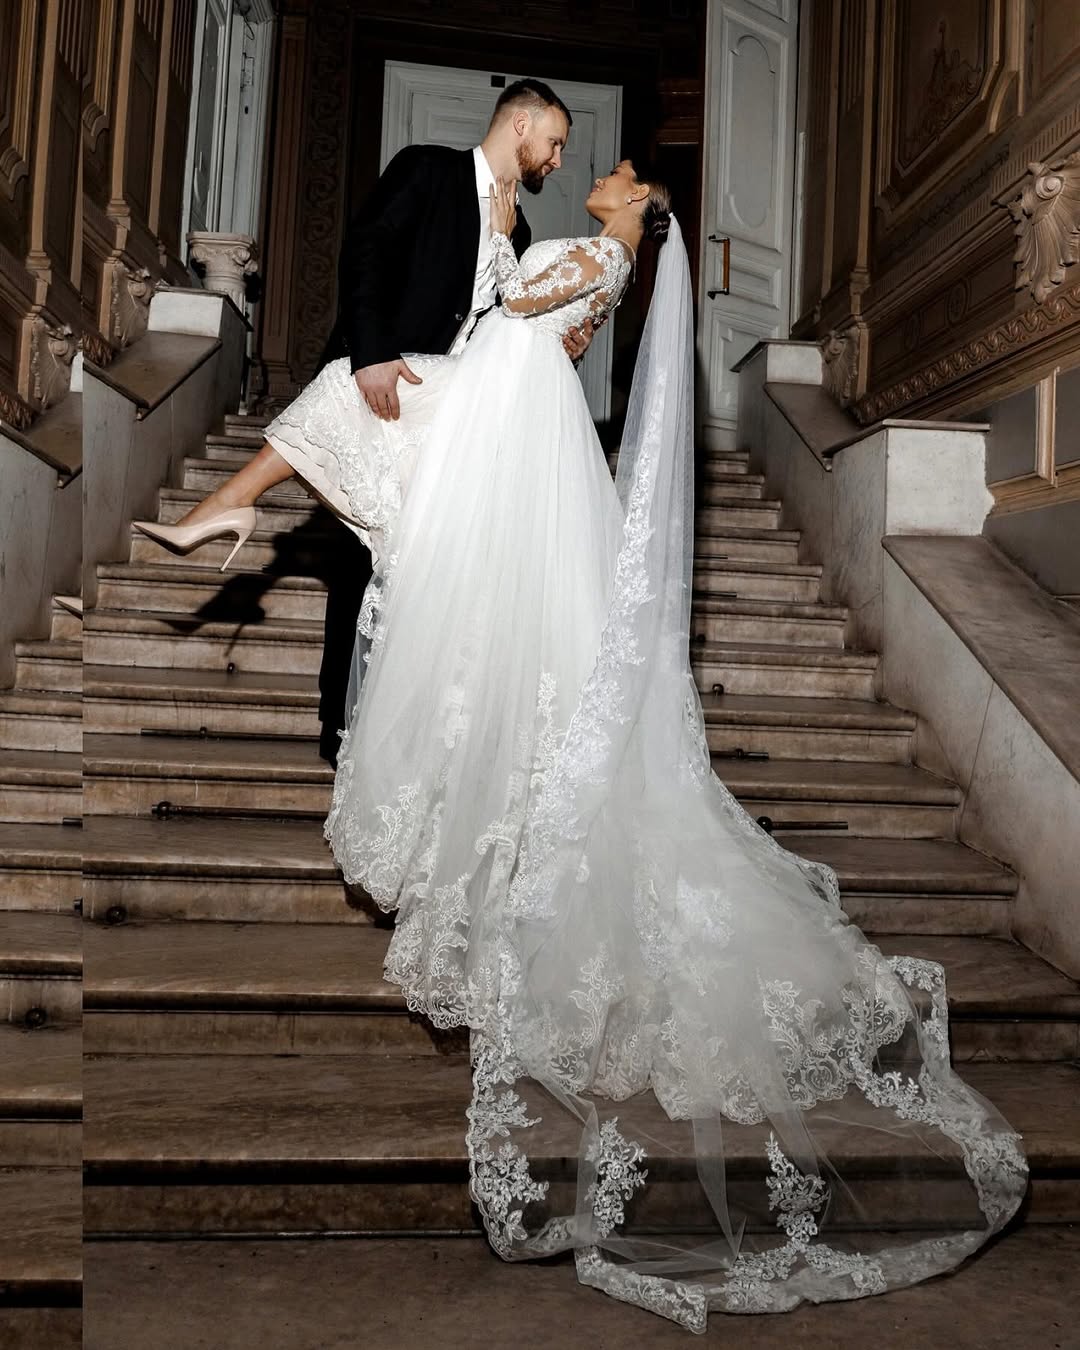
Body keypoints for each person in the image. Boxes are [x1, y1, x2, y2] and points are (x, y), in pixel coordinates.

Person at [135, 144, 1027, 1329]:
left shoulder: (600, 249)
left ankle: (227, 514)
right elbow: (543, 337)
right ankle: (226, 513)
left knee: (354, 416)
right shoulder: (596, 257)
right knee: (349, 413)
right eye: (587, 160)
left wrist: (514, 272)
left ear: (636, 206)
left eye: (616, 173)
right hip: (506, 429)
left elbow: (520, 312)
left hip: (503, 436)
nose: (598, 169)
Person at [135, 78, 600, 760]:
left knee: (415, 575)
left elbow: (501, 333)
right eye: (555, 143)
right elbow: (366, 252)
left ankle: (403, 736)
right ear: (521, 125)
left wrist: (559, 344)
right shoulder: (428, 169)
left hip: (450, 415)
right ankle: (344, 730)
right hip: (386, 387)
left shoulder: (518, 230)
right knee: (362, 559)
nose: (557, 161)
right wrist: (372, 354)